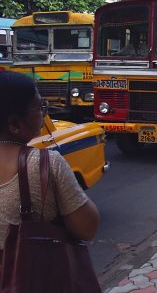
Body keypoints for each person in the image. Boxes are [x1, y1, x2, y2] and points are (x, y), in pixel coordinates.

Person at [0, 71, 100, 256]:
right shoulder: (45, 163)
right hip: (28, 280)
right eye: (39, 108)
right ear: (14, 123)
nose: (44, 114)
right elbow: (87, 228)